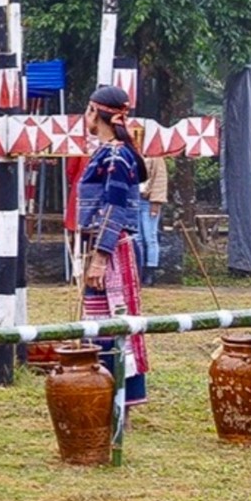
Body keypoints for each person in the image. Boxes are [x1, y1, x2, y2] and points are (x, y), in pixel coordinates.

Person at [78, 85, 149, 410]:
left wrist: (100, 258)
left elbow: (115, 207)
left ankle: (119, 403)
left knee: (114, 324)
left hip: (113, 248)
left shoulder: (116, 156)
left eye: (88, 110)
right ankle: (104, 399)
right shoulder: (109, 153)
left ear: (95, 112)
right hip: (104, 244)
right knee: (100, 322)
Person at [132, 125, 167, 286]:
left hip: (148, 200)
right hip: (134, 200)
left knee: (150, 237)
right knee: (136, 237)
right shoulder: (131, 155)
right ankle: (137, 269)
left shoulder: (156, 156)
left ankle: (150, 270)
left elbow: (160, 180)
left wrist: (156, 202)